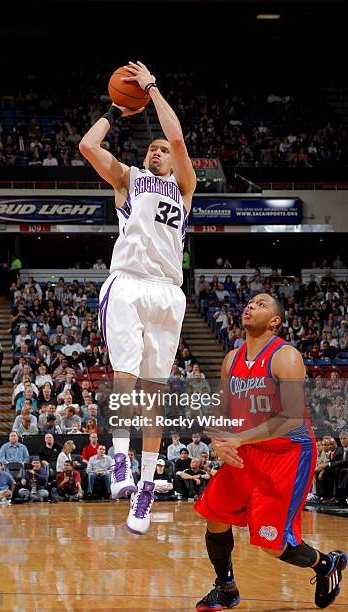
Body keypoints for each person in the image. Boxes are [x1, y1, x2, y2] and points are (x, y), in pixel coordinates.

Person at [79, 60, 196, 534]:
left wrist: (152, 87)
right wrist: (113, 108)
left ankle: (146, 488)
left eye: (162, 149)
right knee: (124, 376)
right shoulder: (127, 178)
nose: (157, 149)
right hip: (127, 281)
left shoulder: (184, 189)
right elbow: (88, 146)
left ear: (171, 161)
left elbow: (180, 138)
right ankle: (121, 458)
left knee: (155, 394)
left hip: (168, 292)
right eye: (152, 146)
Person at [193, 293, 347, 611]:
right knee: (214, 517)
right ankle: (226, 588)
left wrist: (239, 439)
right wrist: (219, 443)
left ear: (275, 321)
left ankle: (325, 564)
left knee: (271, 543)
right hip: (247, 450)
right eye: (248, 302)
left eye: (261, 304)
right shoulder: (231, 359)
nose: (250, 305)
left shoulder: (285, 356)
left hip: (287, 454)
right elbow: (223, 414)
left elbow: (290, 418)